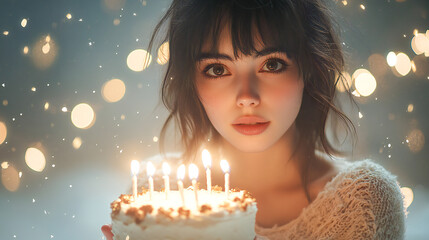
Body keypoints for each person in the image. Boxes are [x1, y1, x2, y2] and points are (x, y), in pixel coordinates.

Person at [102, 0, 406, 239]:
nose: (247, 97)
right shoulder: (155, 193)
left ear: (309, 68)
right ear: (192, 82)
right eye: (218, 70)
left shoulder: (361, 202)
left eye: (272, 64)